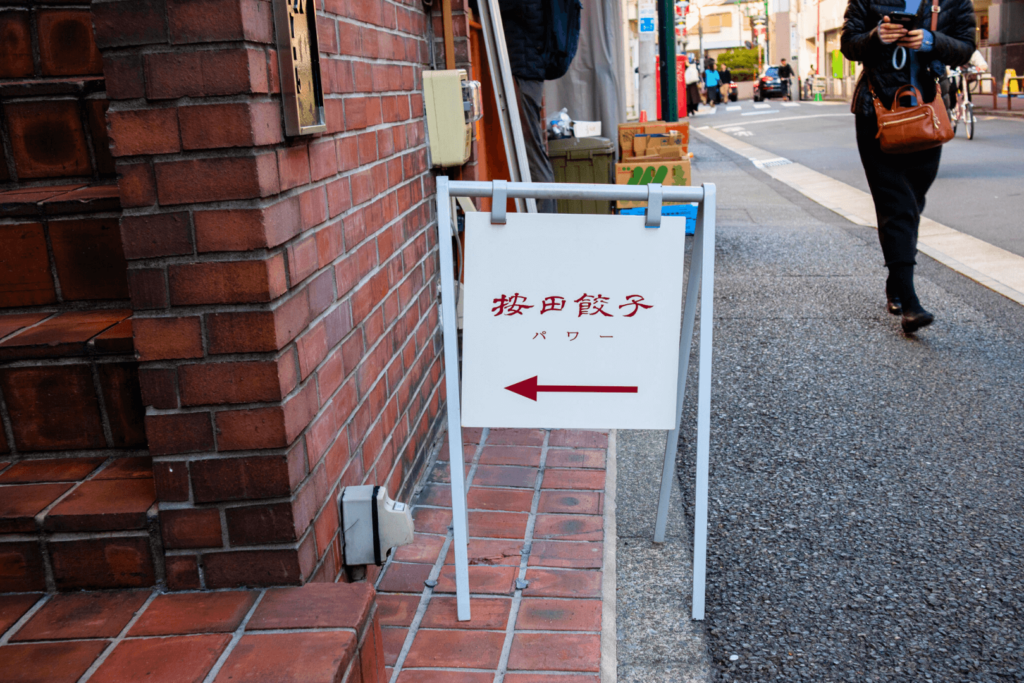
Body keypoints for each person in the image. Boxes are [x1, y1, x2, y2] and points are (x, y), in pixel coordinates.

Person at [842, 0, 975, 333]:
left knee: (912, 204)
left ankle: (896, 282)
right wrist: (877, 36)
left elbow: (965, 48)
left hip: (927, 113)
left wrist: (930, 41)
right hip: (877, 114)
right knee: (895, 204)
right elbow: (848, 44)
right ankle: (911, 305)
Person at [499, 0, 581, 213]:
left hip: (525, 73)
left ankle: (545, 217)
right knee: (530, 147)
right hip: (527, 71)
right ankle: (545, 215)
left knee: (530, 148)